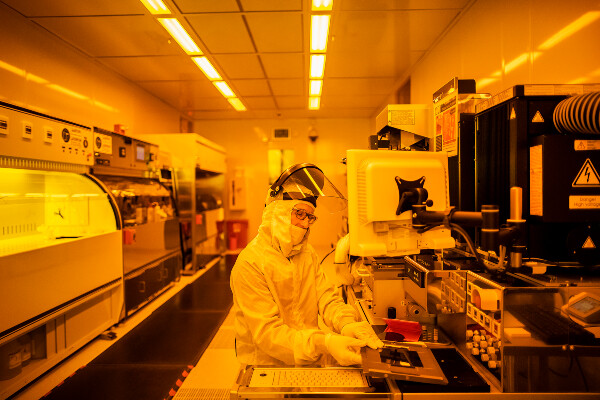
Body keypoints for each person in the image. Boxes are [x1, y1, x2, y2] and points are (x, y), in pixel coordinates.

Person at [230, 163, 383, 366]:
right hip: (266, 367)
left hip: (309, 360)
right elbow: (268, 336)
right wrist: (325, 343)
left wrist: (346, 323)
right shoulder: (250, 263)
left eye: (310, 217)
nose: (304, 224)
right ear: (278, 213)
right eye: (299, 213)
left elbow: (326, 298)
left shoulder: (306, 253)